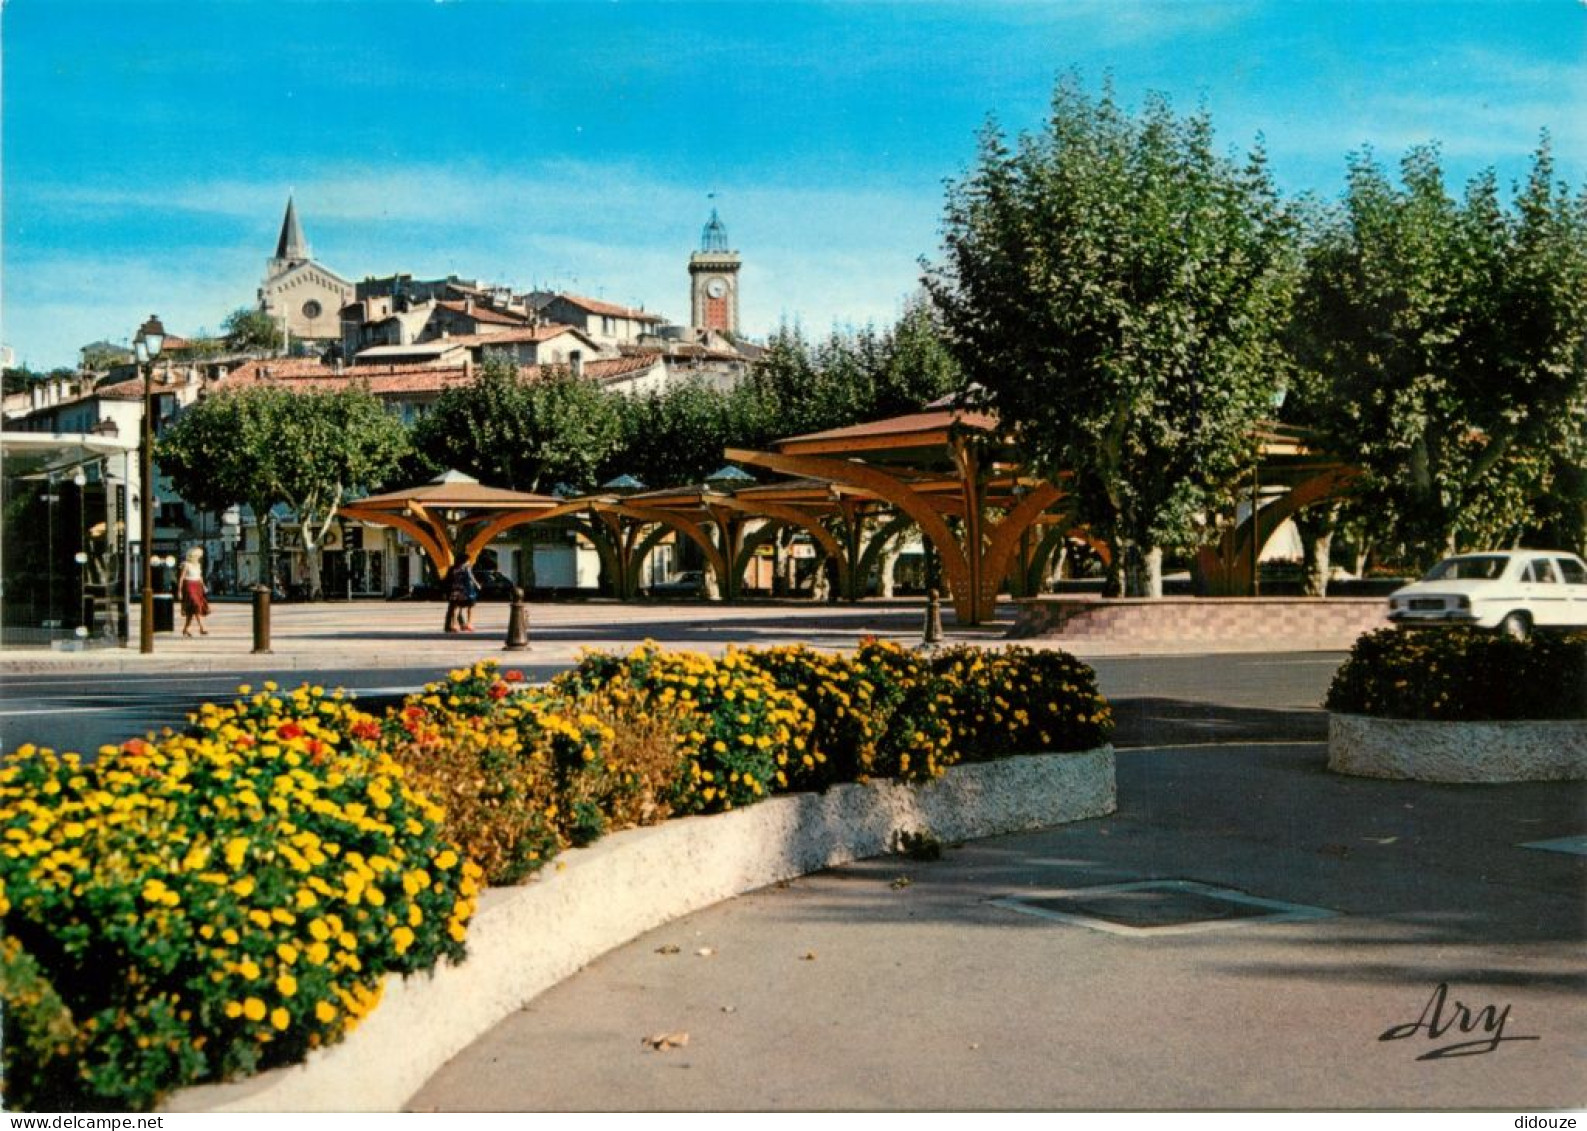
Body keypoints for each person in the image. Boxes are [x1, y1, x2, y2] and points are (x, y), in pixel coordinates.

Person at [178, 547, 210, 637]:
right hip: (189, 586)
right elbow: (181, 578)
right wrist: (179, 591)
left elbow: (200, 577)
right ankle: (201, 628)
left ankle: (186, 629)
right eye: (199, 556)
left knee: (192, 610)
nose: (200, 557)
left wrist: (203, 586)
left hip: (197, 586)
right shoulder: (186, 565)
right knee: (195, 605)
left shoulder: (198, 565)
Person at [445, 559, 480, 633]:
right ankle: (469, 624)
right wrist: (477, 584)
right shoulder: (466, 568)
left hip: (455, 590)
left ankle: (454, 625)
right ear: (465, 560)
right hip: (465, 590)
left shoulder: (454, 568)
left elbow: (448, 578)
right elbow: (470, 577)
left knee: (456, 607)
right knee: (470, 607)